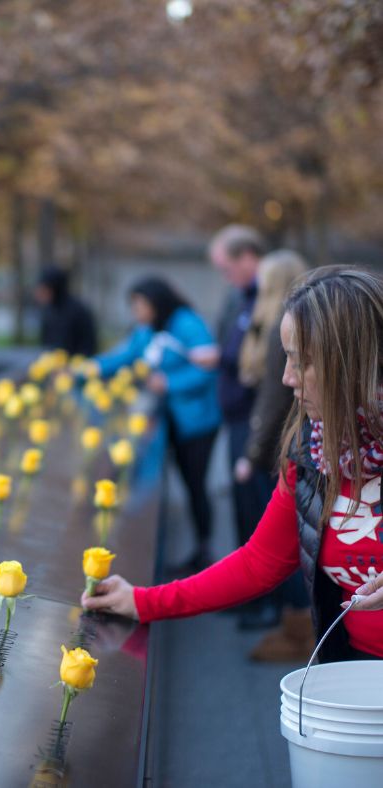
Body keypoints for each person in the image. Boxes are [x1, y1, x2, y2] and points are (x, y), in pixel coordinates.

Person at [82, 266, 383, 663]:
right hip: (357, 678)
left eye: (303, 362)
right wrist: (143, 601)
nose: (286, 378)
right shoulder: (313, 452)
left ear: (356, 363)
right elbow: (258, 563)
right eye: (286, 358)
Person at [94, 277, 221, 570]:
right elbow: (124, 356)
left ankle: (206, 548)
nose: (136, 311)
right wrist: (87, 367)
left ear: (156, 303)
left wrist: (169, 382)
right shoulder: (147, 330)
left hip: (198, 421)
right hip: (171, 419)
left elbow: (208, 370)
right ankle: (197, 550)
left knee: (195, 483)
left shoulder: (187, 324)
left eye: (139, 305)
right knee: (180, 480)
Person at [234, 250, 312, 660]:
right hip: (288, 442)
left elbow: (273, 394)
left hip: (281, 444)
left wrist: (252, 451)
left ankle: (299, 628)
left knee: (295, 545)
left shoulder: (287, 323)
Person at [207, 224, 278, 628]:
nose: (226, 276)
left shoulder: (265, 303)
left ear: (248, 258)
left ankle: (268, 604)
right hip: (238, 419)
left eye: (227, 267)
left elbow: (267, 382)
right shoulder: (240, 298)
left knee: (259, 515)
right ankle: (247, 594)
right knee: (242, 510)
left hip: (253, 425)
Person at [34, 267, 97, 356]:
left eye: (44, 289)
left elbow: (88, 346)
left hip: (76, 365)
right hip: (51, 364)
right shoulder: (48, 311)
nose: (39, 293)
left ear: (55, 288)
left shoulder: (79, 311)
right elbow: (45, 344)